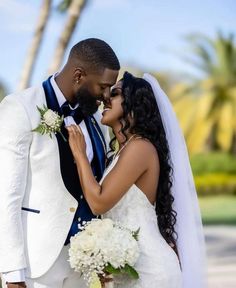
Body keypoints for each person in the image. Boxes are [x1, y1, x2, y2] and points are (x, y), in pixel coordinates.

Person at [67, 72, 206, 288]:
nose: (105, 99)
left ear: (134, 104)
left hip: (150, 272)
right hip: (128, 271)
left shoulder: (140, 148)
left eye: (115, 93)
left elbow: (98, 202)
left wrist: (80, 154)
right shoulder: (120, 153)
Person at [0, 38, 120, 288]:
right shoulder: (21, 108)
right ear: (78, 75)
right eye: (103, 86)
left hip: (84, 264)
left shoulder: (97, 118)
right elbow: (6, 196)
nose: (106, 96)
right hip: (37, 264)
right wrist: (13, 274)